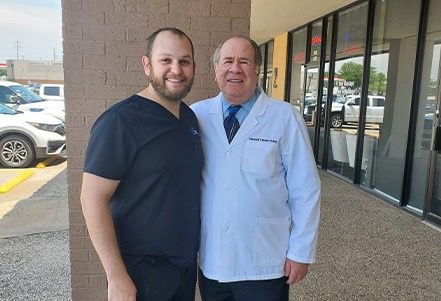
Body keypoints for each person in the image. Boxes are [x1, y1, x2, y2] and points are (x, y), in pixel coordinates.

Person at [190, 36, 321, 301]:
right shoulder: (197, 115)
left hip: (264, 263)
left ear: (257, 70)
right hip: (213, 261)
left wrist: (300, 252)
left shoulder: (284, 117)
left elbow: (305, 188)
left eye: (244, 61)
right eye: (227, 61)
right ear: (216, 70)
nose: (235, 69)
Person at [80, 27, 203, 301]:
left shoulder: (189, 119)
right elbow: (92, 198)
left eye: (184, 61)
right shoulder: (120, 122)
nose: (176, 69)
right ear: (147, 65)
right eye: (166, 60)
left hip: (182, 269)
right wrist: (116, 276)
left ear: (194, 67)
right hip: (139, 273)